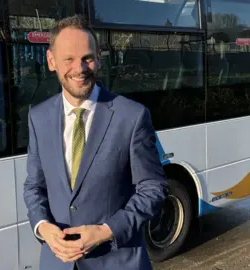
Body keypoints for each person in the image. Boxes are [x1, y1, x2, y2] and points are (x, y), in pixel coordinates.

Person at [23, 15, 168, 270]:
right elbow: (34, 187)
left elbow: (153, 188)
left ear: (99, 58)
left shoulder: (132, 116)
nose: (79, 68)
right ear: (51, 61)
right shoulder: (38, 117)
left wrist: (106, 231)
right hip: (57, 263)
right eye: (68, 59)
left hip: (117, 262)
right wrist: (42, 227)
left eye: (87, 58)